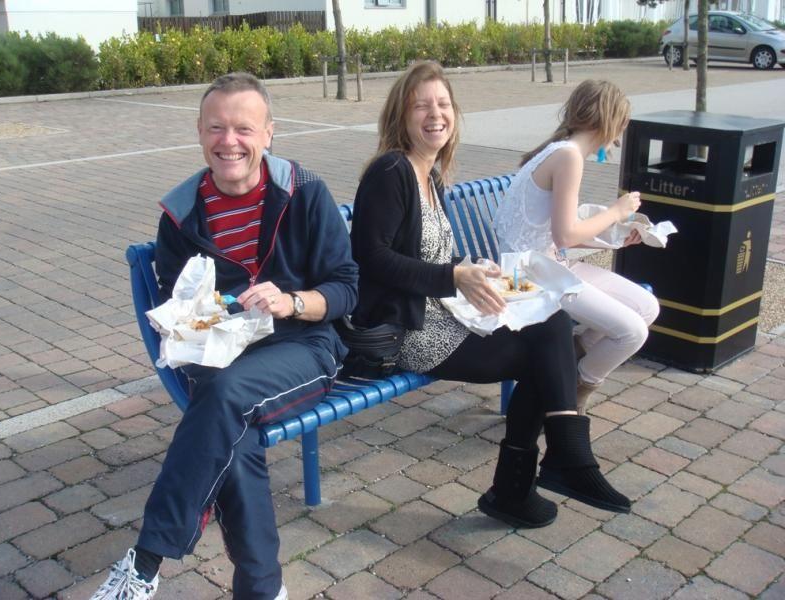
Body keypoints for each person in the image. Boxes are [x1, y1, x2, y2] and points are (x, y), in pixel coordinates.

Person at [92, 73, 358, 600]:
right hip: (217, 357)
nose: (229, 141)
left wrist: (292, 301)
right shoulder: (181, 214)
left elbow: (346, 288)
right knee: (231, 426)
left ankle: (146, 561)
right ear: (199, 131)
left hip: (303, 345)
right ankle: (262, 590)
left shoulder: (304, 191)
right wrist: (199, 314)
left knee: (224, 401)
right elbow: (177, 309)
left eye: (244, 128)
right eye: (216, 127)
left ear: (268, 133)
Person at [350, 61, 631, 530]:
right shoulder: (391, 171)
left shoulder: (428, 174)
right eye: (421, 106)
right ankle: (540, 474)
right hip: (411, 331)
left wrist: (473, 270)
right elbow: (372, 258)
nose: (435, 114)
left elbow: (431, 252)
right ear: (401, 115)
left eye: (443, 104)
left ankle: (547, 468)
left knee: (552, 323)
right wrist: (454, 277)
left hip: (442, 314)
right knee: (546, 352)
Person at [494, 79, 659, 415]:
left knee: (647, 307)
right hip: (524, 280)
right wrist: (617, 212)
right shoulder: (568, 157)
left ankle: (567, 360)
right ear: (610, 121)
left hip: (544, 267)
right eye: (621, 125)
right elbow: (565, 235)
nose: (619, 136)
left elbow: (553, 231)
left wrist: (616, 234)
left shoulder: (561, 151)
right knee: (631, 333)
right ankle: (574, 391)